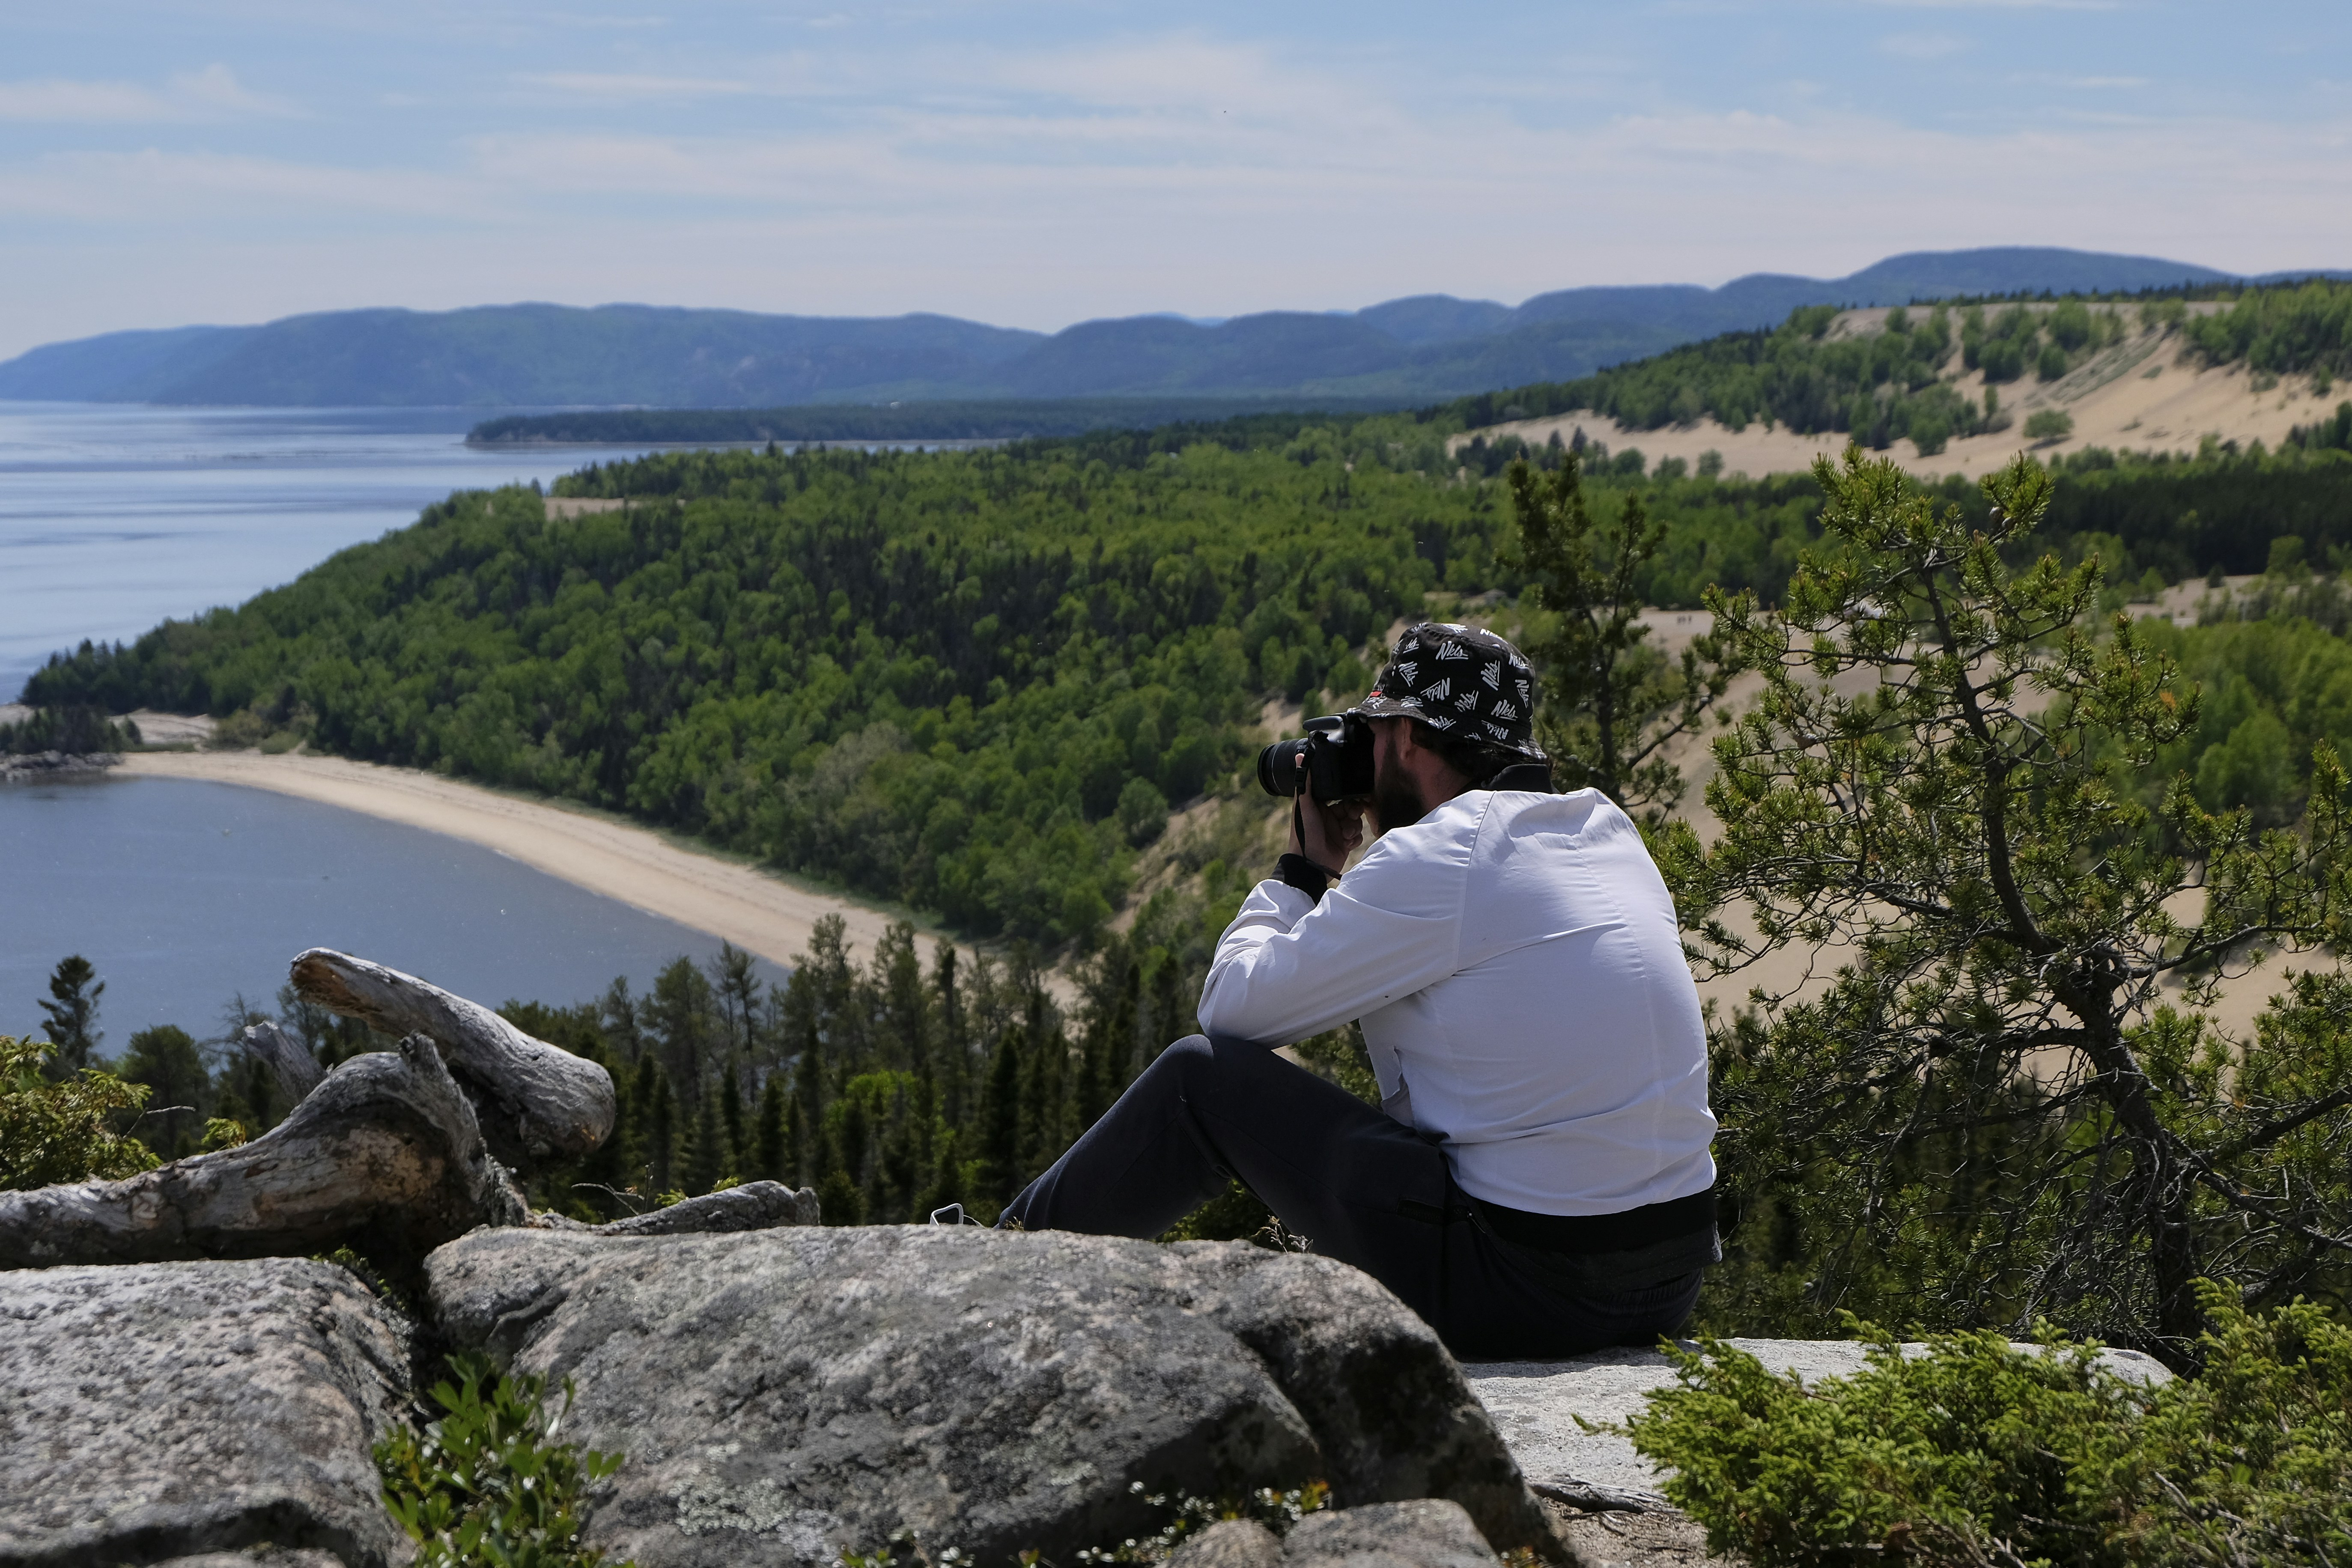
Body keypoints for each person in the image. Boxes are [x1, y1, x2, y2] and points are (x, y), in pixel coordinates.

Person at [994, 622, 1718, 1359]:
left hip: (1527, 1290)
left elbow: (1232, 1009)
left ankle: (992, 1277)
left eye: (1369, 734)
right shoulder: (1605, 828)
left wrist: (1303, 872)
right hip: (1669, 1283)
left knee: (1197, 1080)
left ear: (1405, 735)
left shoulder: (1444, 850)